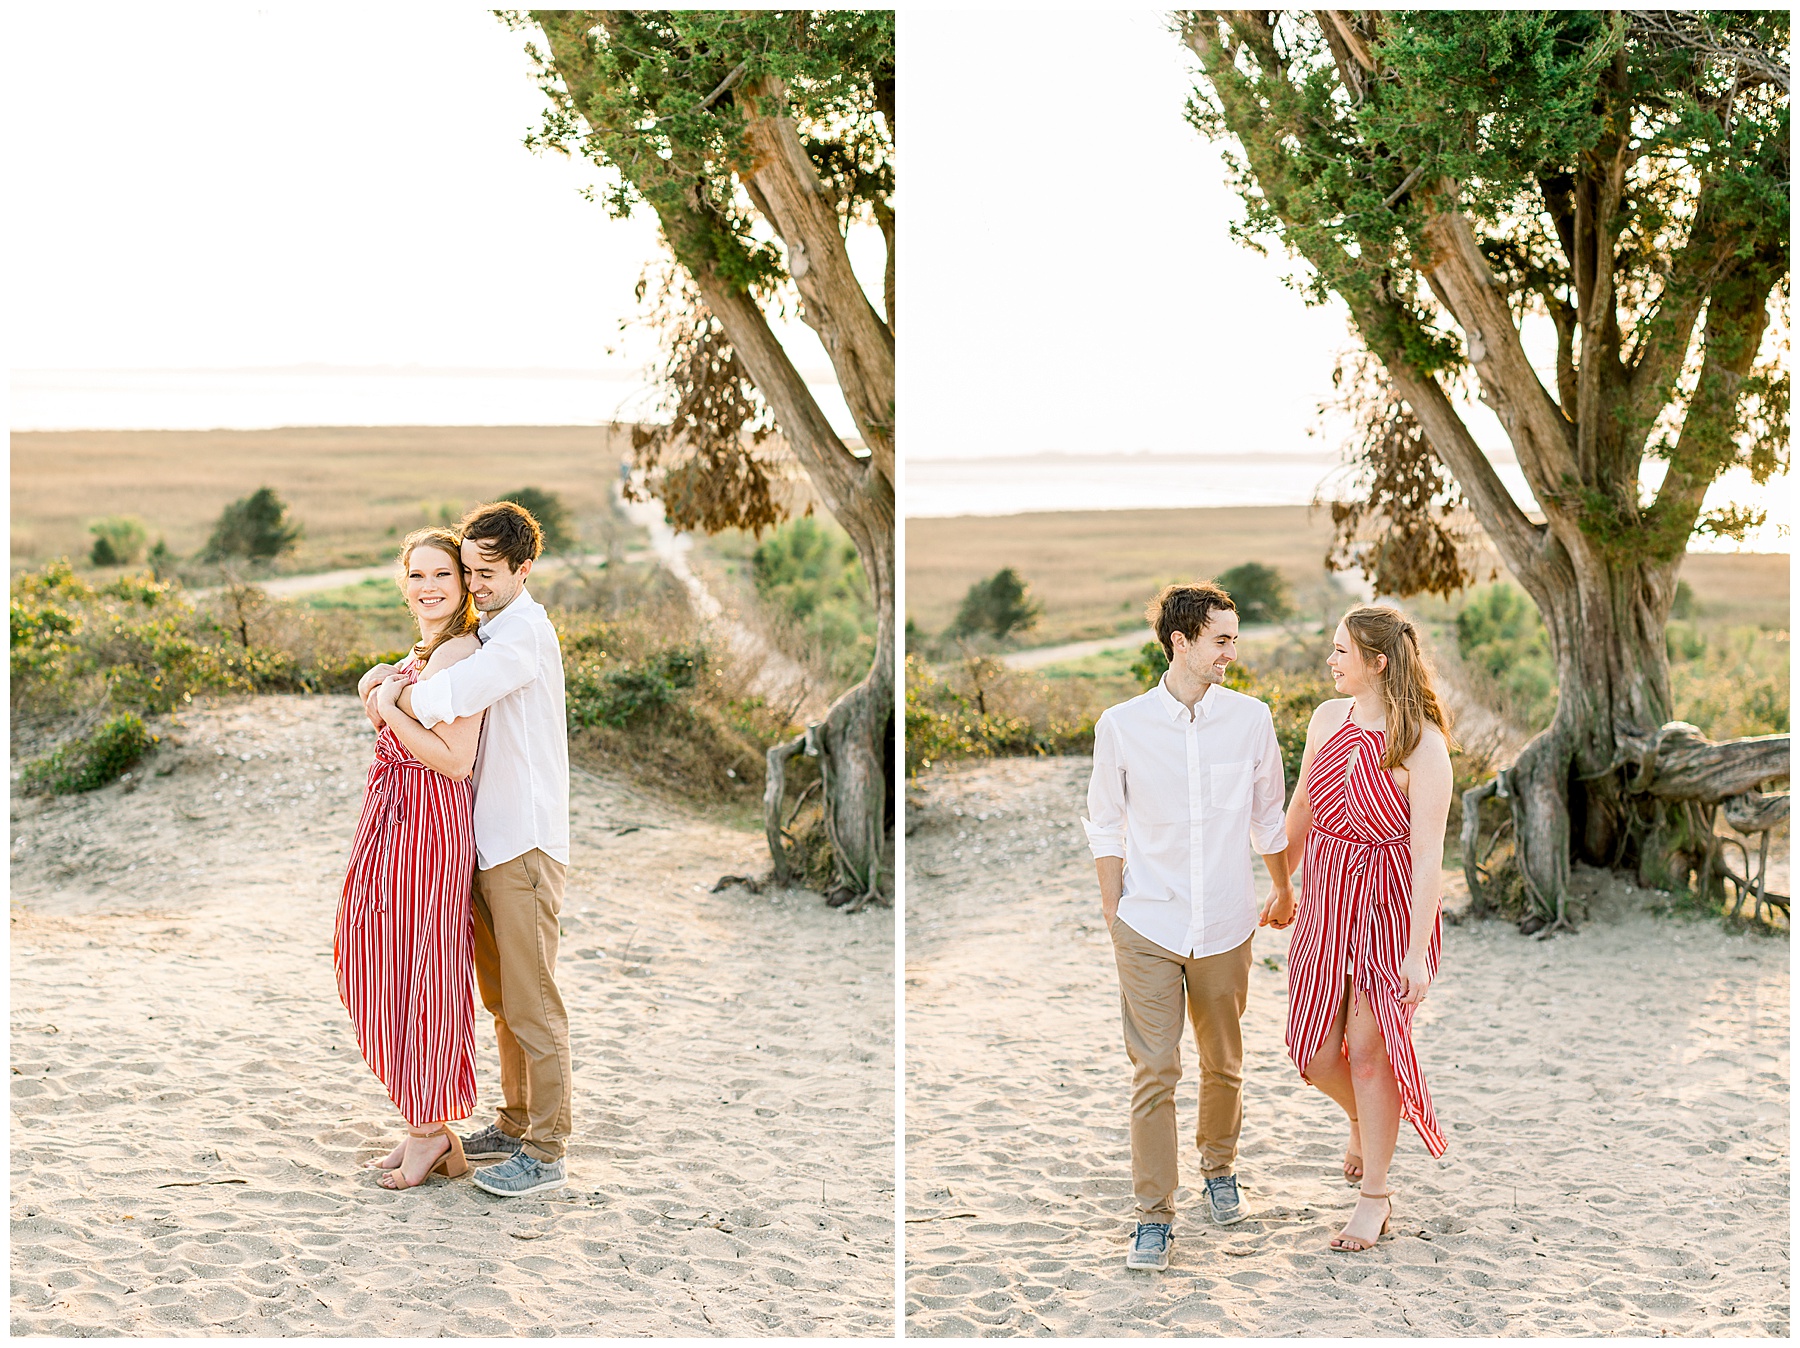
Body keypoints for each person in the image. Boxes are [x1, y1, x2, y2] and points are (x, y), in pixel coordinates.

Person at [1083, 582, 1294, 1272]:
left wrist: (1284, 885)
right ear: (1182, 642)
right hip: (1146, 922)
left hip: (1228, 922)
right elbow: (1105, 823)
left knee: (1223, 1064)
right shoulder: (1122, 724)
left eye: (1233, 638)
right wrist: (1115, 913)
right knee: (1154, 1070)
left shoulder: (1251, 719)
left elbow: (1269, 816)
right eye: (1222, 640)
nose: (1232, 651)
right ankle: (1153, 1215)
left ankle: (1220, 1169)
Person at [370, 501, 572, 1198]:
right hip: (487, 843)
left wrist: (390, 693)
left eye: (487, 573)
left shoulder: (519, 636)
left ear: (523, 567)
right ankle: (515, 1123)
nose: (476, 584)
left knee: (534, 1001)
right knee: (503, 999)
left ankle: (545, 1152)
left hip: (524, 841)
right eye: (470, 571)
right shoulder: (492, 628)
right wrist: (397, 681)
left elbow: (444, 698)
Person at [1281, 604, 1454, 1252]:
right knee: (1314, 1051)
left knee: (1372, 1048)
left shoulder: (1423, 746)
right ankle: (1363, 1119)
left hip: (1387, 908)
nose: (1330, 660)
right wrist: (1278, 881)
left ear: (1378, 662)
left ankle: (1375, 1196)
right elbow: (1302, 805)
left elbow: (1428, 859)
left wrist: (1415, 953)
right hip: (1325, 897)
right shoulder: (1328, 720)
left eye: (1341, 652)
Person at [337, 527, 484, 1190]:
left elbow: (454, 759)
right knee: (378, 950)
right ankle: (429, 1127)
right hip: (395, 816)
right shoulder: (429, 650)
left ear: (464, 586)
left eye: (442, 576)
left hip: (429, 820)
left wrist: (389, 707)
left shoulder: (461, 653)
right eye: (417, 575)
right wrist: (379, 683)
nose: (428, 587)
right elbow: (388, 695)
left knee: (421, 965)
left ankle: (429, 1130)